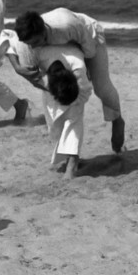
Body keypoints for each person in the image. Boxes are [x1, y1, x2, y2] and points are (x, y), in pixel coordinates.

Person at [14, 8, 125, 153]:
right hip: (62, 47)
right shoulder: (25, 45)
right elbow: (33, 76)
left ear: (43, 32)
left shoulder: (66, 25)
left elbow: (89, 51)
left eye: (35, 42)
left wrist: (82, 71)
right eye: (29, 44)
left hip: (89, 38)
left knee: (101, 86)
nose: (33, 47)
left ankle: (117, 119)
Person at [36, 45, 93, 179]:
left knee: (74, 121)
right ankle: (68, 156)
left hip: (75, 92)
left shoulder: (78, 68)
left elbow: (86, 91)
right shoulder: (39, 57)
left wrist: (73, 101)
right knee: (55, 126)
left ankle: (72, 163)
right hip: (50, 82)